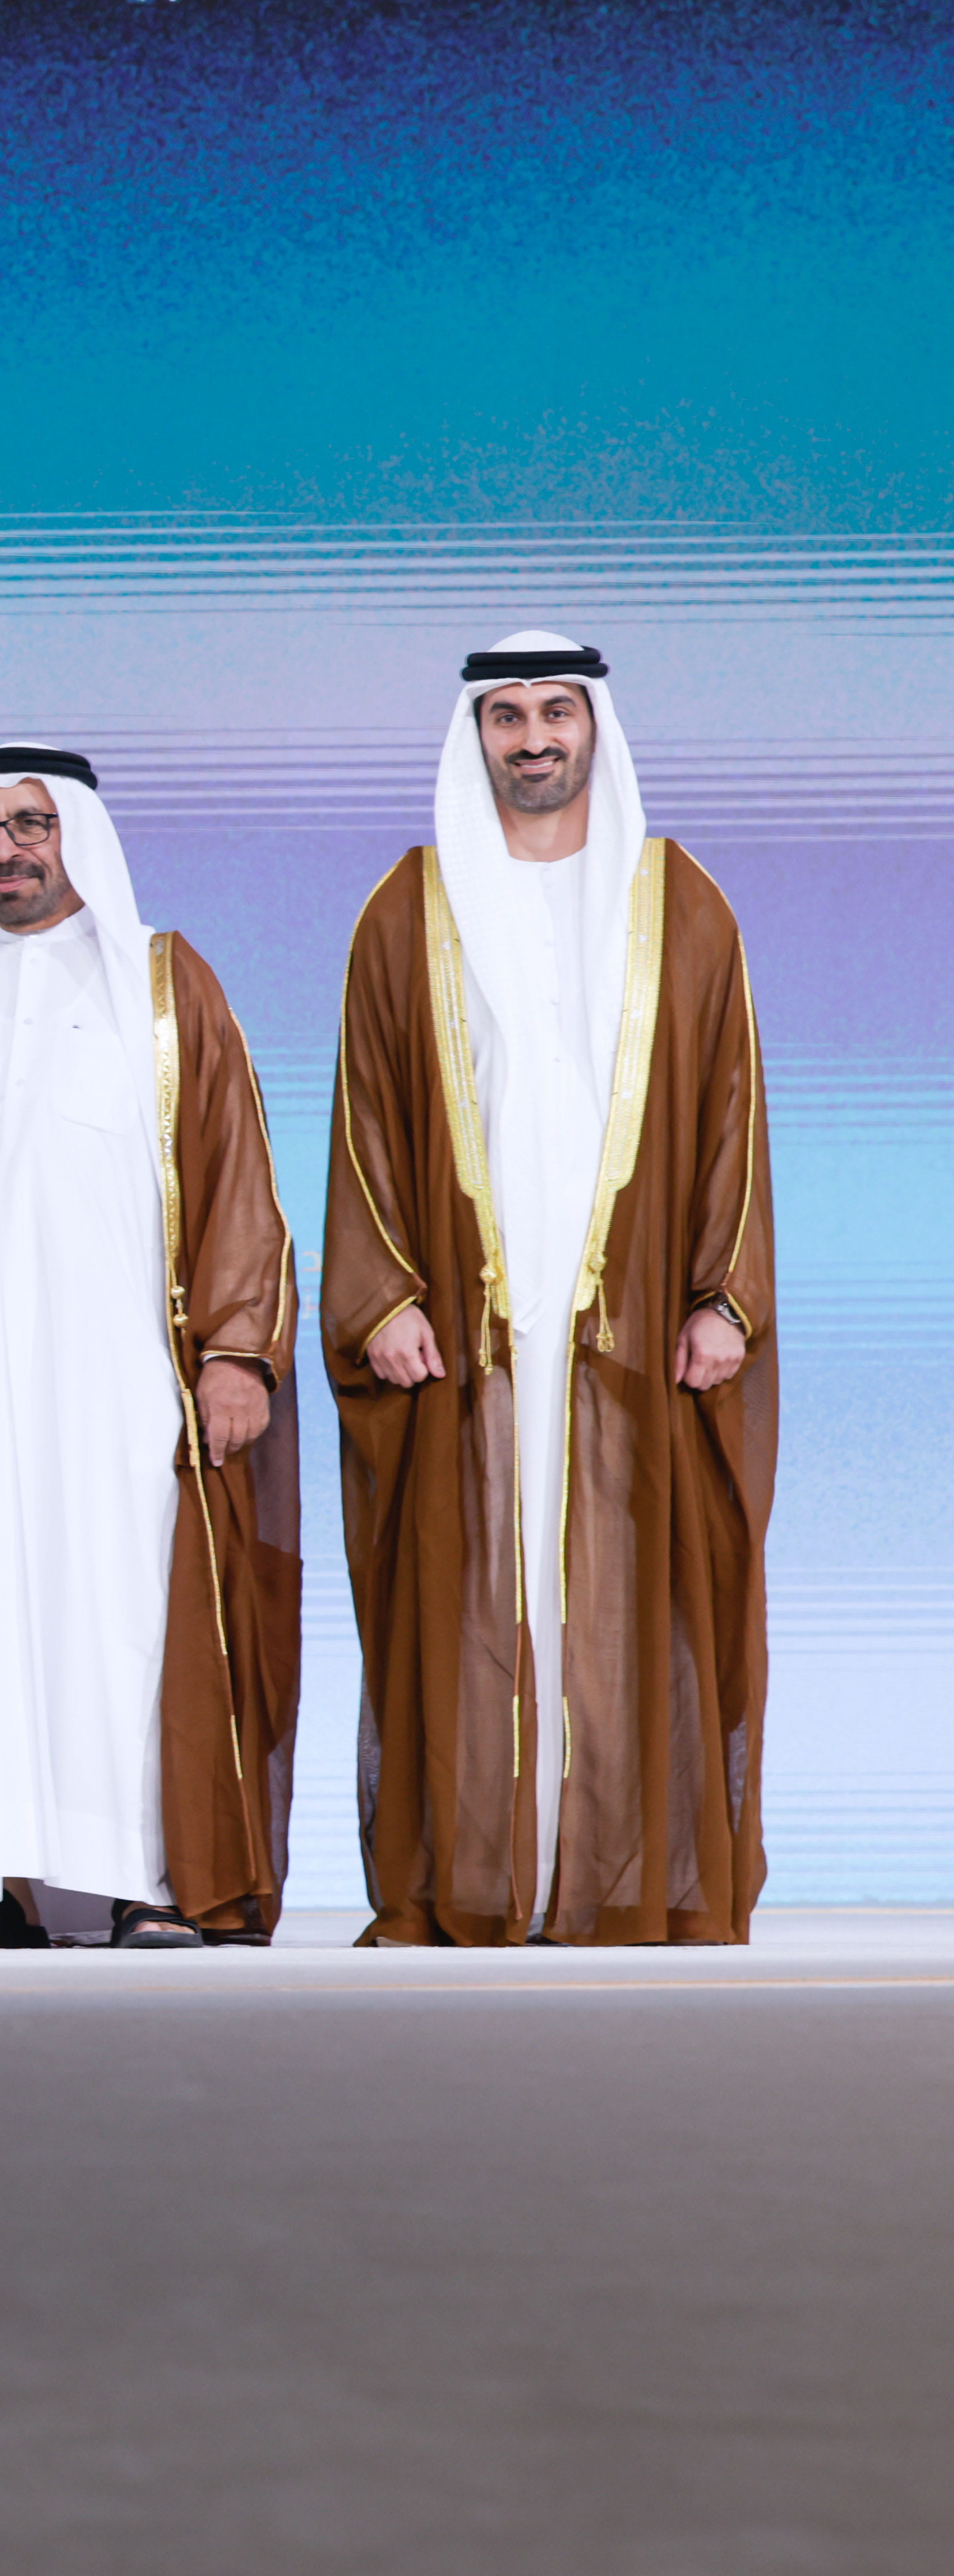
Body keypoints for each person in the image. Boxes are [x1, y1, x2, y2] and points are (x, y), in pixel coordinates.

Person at [0, 748, 303, 1952]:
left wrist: (237, 1351)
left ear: (76, 833)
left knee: (120, 1617)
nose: (3, 850)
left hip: (122, 1390)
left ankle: (145, 1878)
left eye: (29, 823)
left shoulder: (162, 986)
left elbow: (238, 1175)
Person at [326, 634, 775, 1945]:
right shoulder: (404, 908)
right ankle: (479, 1878)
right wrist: (380, 1296)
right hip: (465, 1323)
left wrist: (723, 1297)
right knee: (469, 1586)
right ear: (474, 734)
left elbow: (734, 1113)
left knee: (629, 1587)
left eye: (555, 712)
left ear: (593, 727)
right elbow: (362, 1118)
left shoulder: (679, 902)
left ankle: (616, 1880)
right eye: (507, 716)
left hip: (630, 1314)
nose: (532, 738)